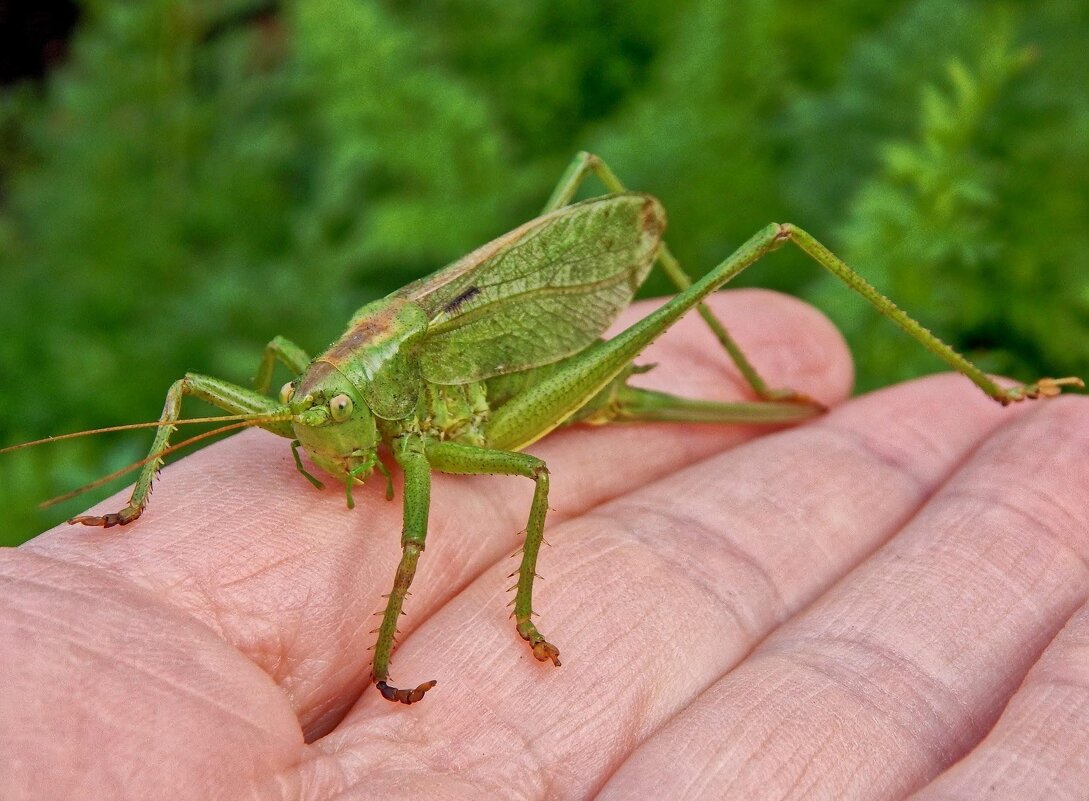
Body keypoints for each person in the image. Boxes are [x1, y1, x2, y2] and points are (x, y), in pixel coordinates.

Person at [3, 292, 1086, 799]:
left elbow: (523, 472)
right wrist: (160, 496)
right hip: (411, 369)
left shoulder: (414, 429)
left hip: (516, 399)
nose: (309, 430)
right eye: (306, 412)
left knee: (534, 456)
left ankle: (989, 387)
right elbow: (199, 388)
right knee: (210, 387)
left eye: (319, 415)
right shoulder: (313, 385)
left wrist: (516, 615)